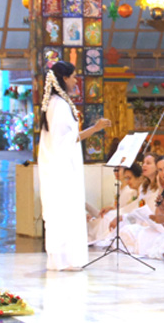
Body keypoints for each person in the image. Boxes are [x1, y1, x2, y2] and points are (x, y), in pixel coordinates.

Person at [38, 61, 111, 271]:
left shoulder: (56, 103)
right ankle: (65, 260)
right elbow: (66, 141)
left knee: (65, 212)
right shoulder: (58, 105)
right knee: (65, 211)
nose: (75, 81)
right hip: (62, 169)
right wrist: (95, 128)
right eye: (72, 77)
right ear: (64, 79)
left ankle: (65, 259)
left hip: (61, 166)